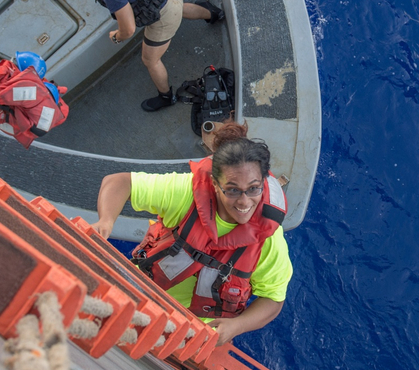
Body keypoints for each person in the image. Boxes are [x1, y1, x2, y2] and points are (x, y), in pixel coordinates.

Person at [91, 122, 292, 346]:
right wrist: (105, 222)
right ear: (215, 184)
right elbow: (120, 182)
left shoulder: (269, 240)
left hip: (193, 333)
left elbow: (273, 298)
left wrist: (237, 326)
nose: (245, 201)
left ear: (263, 184)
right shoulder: (187, 194)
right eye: (233, 190)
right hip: (137, 292)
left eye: (253, 189)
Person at [102, 0, 225, 112]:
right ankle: (213, 13)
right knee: (177, 8)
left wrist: (116, 37)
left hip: (162, 18)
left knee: (150, 60)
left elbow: (128, 30)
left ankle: (166, 97)